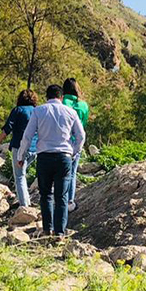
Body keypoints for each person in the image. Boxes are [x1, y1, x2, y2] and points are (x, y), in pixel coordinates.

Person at [16, 84, 85, 236]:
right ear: (61, 97)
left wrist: (21, 156)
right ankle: (60, 232)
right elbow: (81, 136)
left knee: (46, 194)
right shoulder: (70, 112)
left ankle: (47, 230)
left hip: (44, 157)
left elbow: (27, 136)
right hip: (64, 158)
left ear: (46, 97)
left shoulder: (39, 111)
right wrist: (73, 152)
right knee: (62, 196)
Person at [0, 89, 37, 208]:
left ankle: (24, 206)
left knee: (19, 176)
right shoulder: (37, 111)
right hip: (35, 149)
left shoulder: (18, 110)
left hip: (19, 148)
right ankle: (26, 200)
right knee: (23, 174)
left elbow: (7, 129)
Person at [61, 78, 90, 210]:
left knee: (60, 173)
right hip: (77, 142)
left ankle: (60, 199)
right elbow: (83, 124)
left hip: (63, 142)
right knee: (72, 173)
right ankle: (70, 201)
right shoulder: (83, 105)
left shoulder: (62, 103)